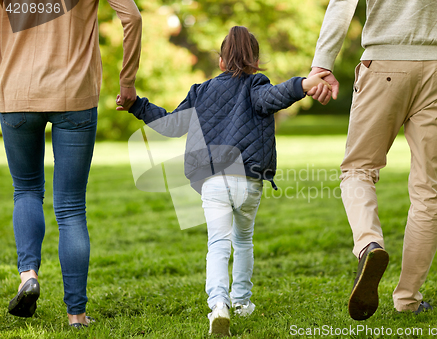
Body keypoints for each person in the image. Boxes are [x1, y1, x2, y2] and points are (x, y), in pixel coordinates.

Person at [121, 26, 331, 336]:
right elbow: (278, 95)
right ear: (255, 61)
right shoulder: (256, 85)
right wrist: (304, 83)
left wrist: (137, 105)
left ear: (221, 61)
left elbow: (171, 125)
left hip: (212, 181)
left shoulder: (201, 91)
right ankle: (242, 302)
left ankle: (218, 305)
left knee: (217, 245)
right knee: (243, 240)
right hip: (248, 180)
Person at [309, 0, 437, 320]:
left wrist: (323, 63)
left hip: (385, 59)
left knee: (358, 168)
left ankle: (369, 245)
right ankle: (408, 299)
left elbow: (341, 4)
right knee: (428, 189)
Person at [0, 0, 141, 327]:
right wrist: (128, 80)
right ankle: (76, 314)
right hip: (74, 95)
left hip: (17, 93)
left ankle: (27, 277)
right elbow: (132, 16)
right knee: (71, 206)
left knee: (26, 191)